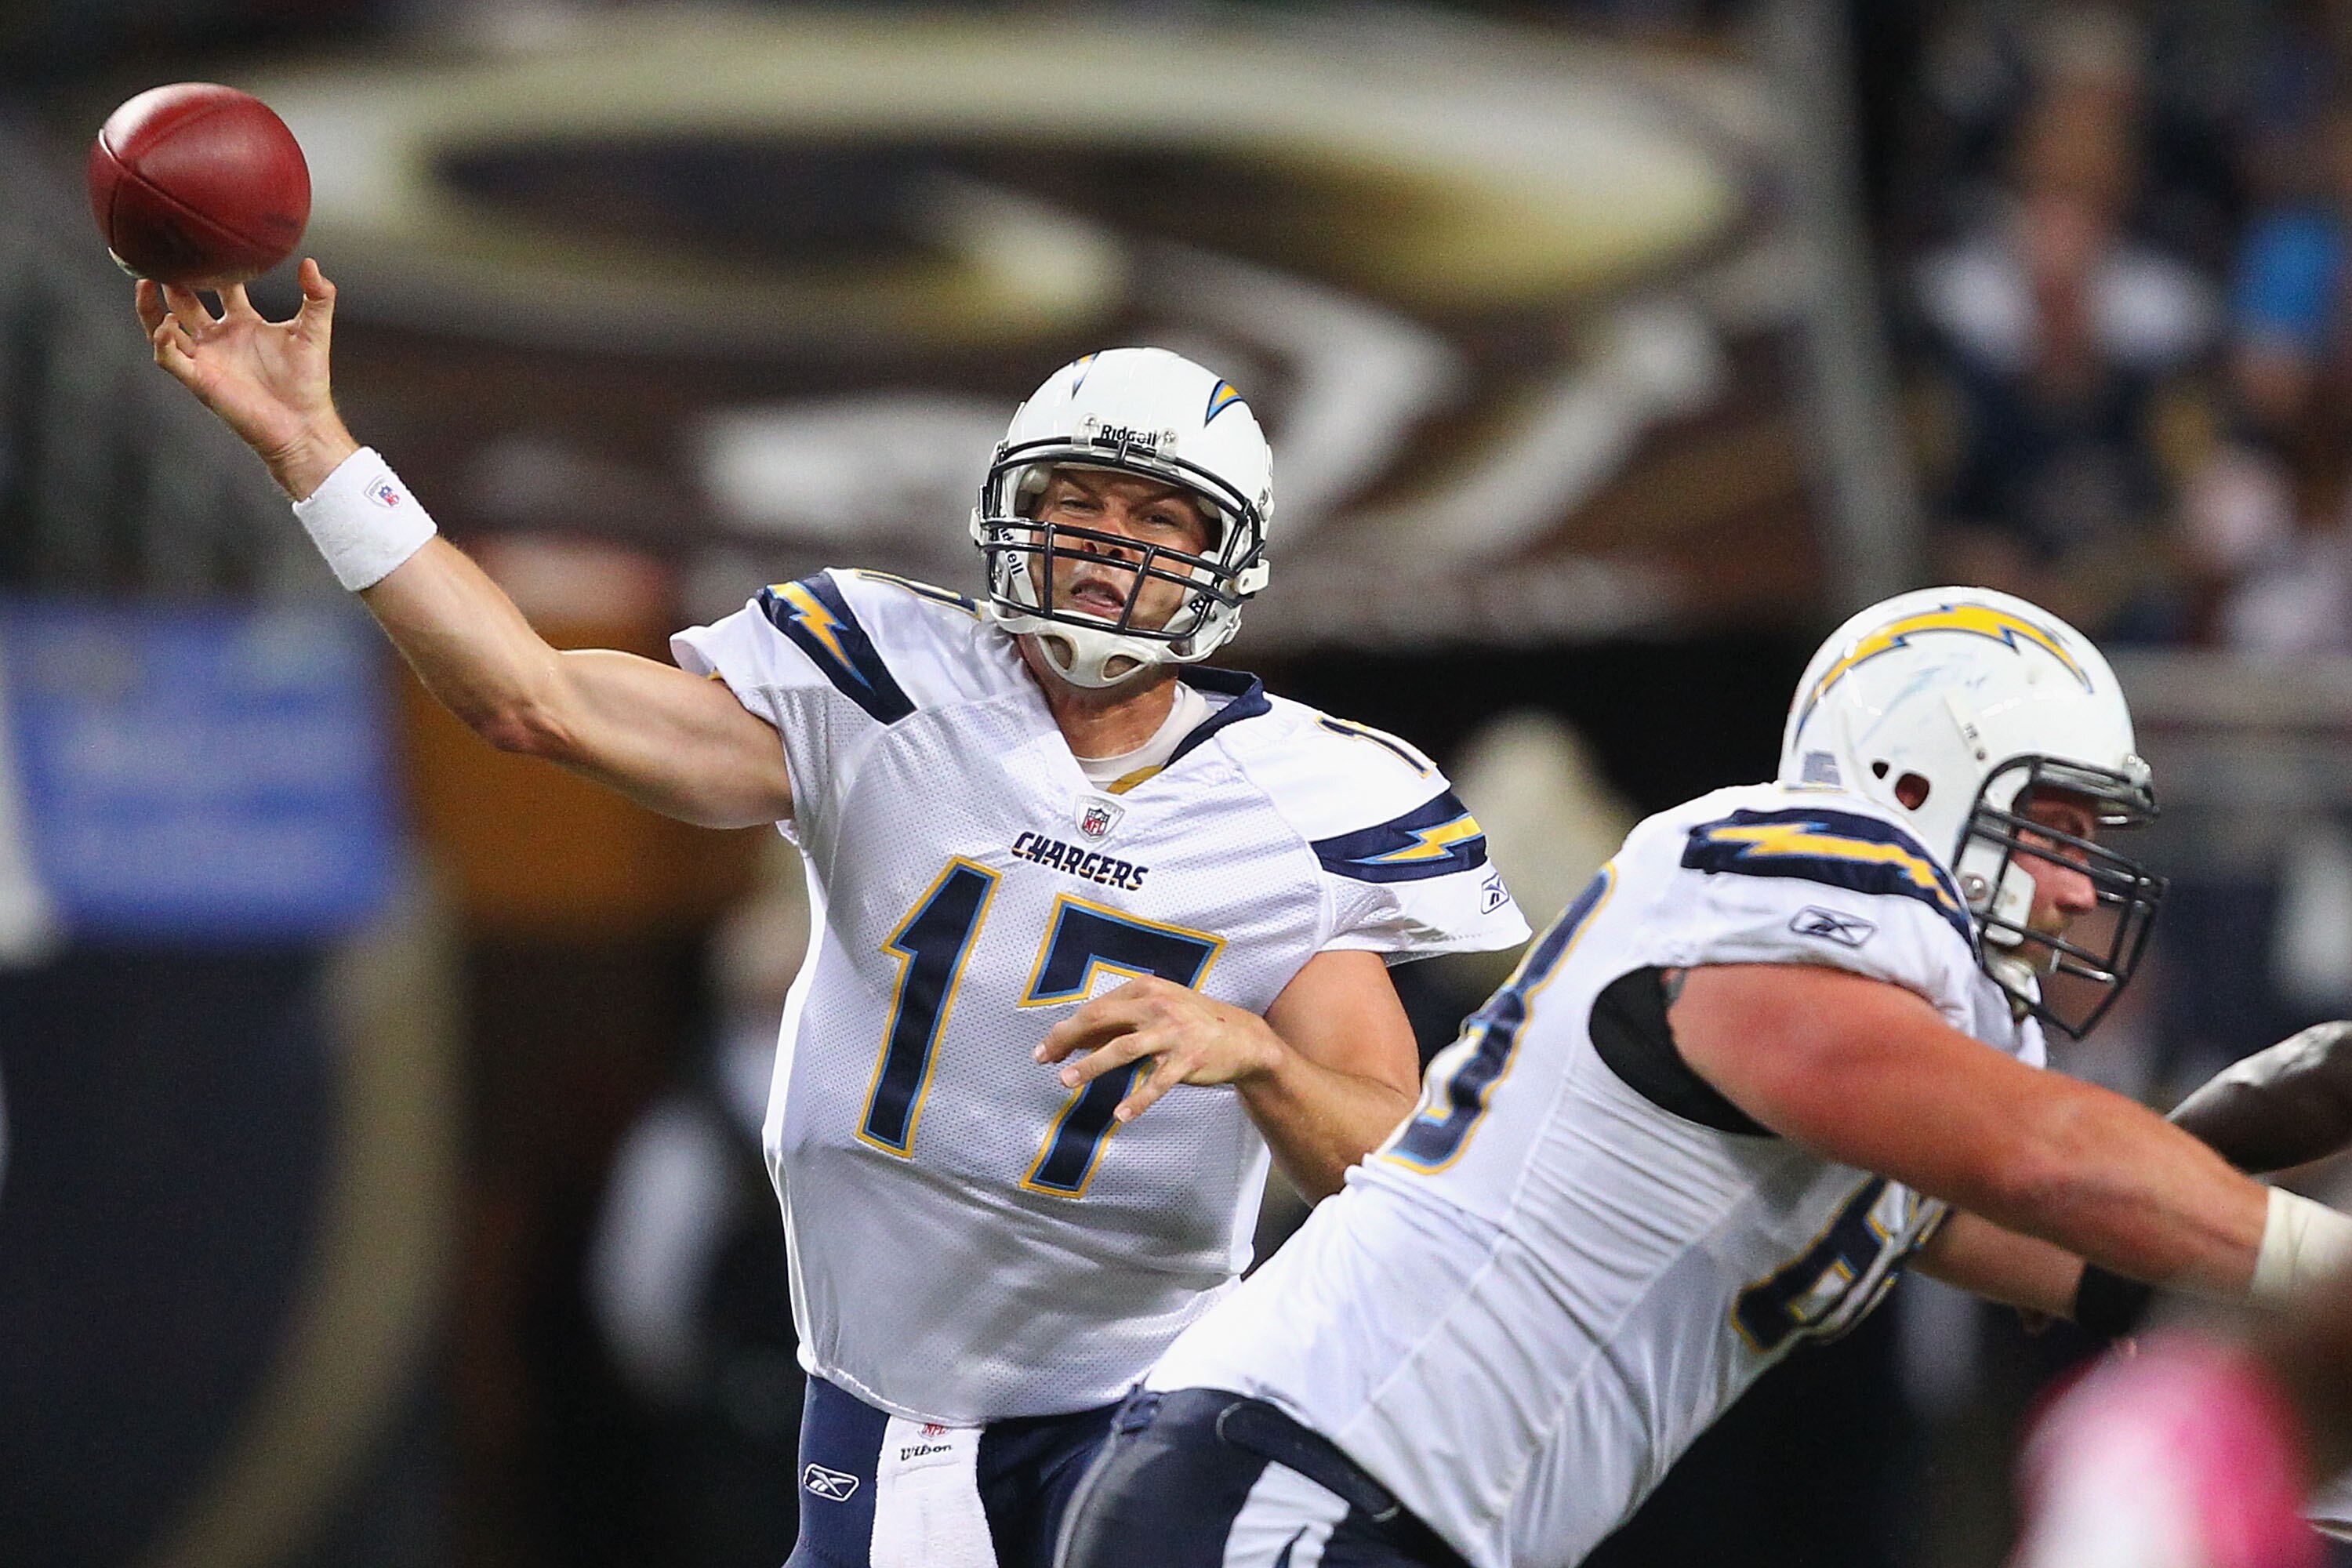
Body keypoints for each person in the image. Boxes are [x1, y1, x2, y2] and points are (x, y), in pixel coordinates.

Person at [133, 263, 1530, 1568]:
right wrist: (311, 448)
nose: (1111, 545)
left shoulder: (1315, 796)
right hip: (886, 1391)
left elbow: (1391, 1172)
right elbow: (529, 699)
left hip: (1148, 1388)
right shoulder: (884, 678)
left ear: (1227, 561)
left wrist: (1264, 1054)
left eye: (1160, 519)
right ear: (1012, 504)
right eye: (1084, 500)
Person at [1055, 585, 2352, 1568]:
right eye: (2052, 823)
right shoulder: (1795, 873)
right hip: (1300, 1481)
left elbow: (2108, 1253)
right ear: (1915, 774)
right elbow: (2052, 1160)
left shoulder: (1889, 1059)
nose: (2076, 887)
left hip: (1363, 1509)